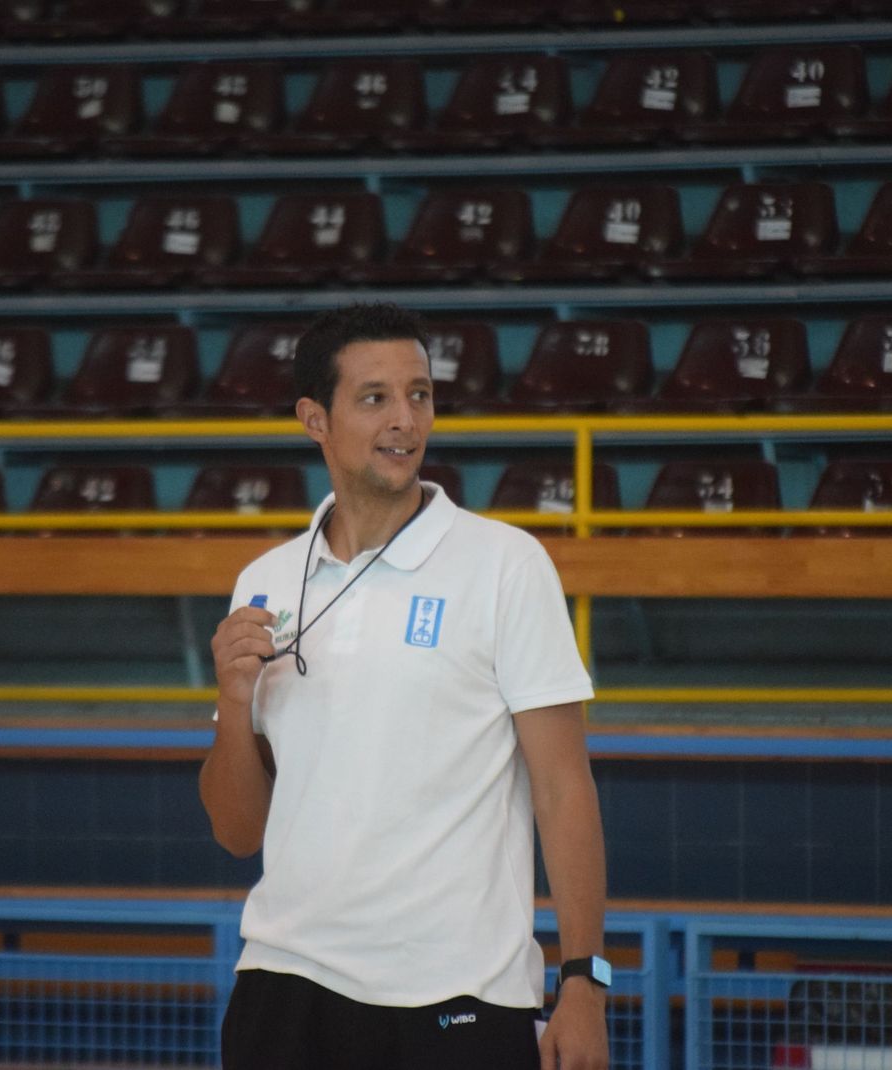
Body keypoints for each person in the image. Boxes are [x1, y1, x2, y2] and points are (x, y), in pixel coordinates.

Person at [201, 303, 610, 1070]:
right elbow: (236, 832)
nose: (405, 419)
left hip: (458, 996)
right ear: (314, 419)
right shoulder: (263, 581)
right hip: (283, 985)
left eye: (419, 394)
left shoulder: (506, 565)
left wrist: (583, 981)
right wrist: (232, 703)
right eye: (375, 398)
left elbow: (564, 788)